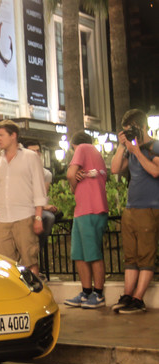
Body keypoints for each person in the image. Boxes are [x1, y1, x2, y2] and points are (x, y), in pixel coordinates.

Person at [110, 109, 159, 314]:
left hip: (150, 207)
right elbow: (114, 169)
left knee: (146, 256)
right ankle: (128, 296)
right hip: (131, 208)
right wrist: (123, 147)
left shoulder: (154, 146)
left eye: (131, 131)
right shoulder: (129, 148)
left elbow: (156, 171)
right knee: (130, 256)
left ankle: (138, 299)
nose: (129, 135)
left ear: (142, 127)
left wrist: (138, 150)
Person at [0, 120, 48, 275]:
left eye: (2, 135)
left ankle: (34, 297)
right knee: (3, 264)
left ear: (13, 136)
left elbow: (39, 187)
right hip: (3, 218)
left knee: (29, 260)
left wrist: (38, 217)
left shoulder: (30, 157)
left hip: (24, 216)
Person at [63, 132, 109, 309]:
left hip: (90, 208)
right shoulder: (96, 155)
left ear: (74, 145)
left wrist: (73, 183)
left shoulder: (83, 147)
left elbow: (70, 174)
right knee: (80, 254)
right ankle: (87, 292)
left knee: (92, 253)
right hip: (83, 210)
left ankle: (98, 295)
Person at [25, 141, 58, 247]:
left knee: (49, 217)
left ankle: (39, 247)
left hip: (37, 208)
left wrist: (44, 206)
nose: (35, 154)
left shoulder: (46, 174)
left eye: (38, 151)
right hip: (22, 207)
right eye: (32, 151)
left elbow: (42, 195)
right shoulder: (20, 170)